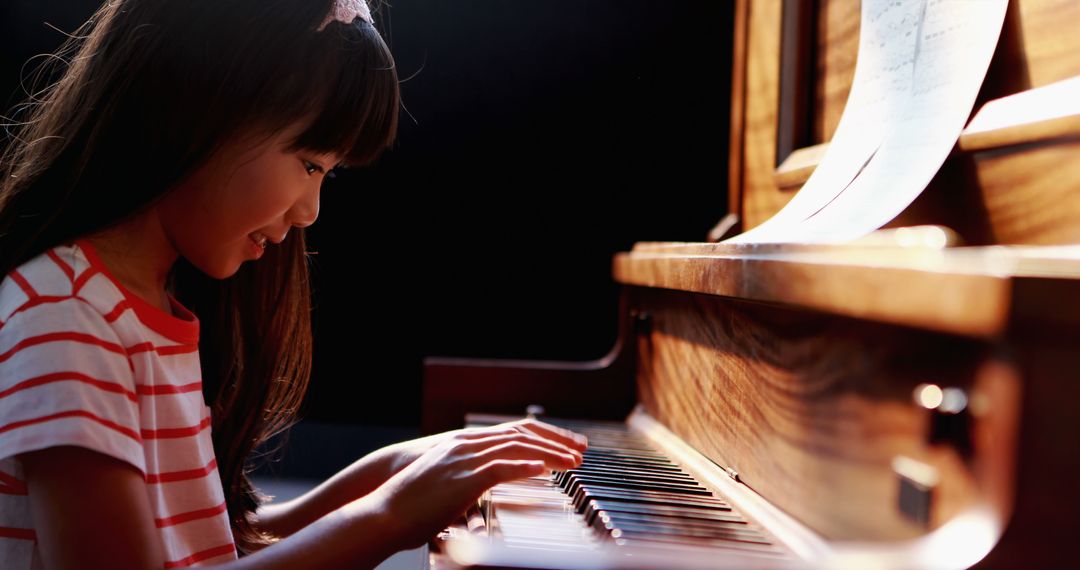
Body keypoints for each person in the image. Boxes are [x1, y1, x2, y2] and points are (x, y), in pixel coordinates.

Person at [0, 1, 588, 568]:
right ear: (201, 103)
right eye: (310, 163)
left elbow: (221, 547)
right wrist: (389, 515)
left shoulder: (132, 305)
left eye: (327, 174)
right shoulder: (65, 315)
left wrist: (396, 470)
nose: (310, 210)